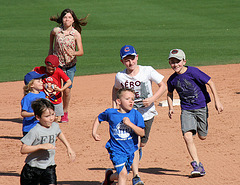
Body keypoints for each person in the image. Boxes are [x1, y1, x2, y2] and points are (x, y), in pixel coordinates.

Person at [112, 45, 167, 185]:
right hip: (130, 114)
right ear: (122, 62)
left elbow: (163, 85)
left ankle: (134, 157)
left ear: (137, 57)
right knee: (134, 144)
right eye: (126, 60)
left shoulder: (147, 70)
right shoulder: (120, 76)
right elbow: (116, 88)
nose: (130, 62)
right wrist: (114, 107)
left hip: (147, 114)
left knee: (142, 143)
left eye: (132, 58)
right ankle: (136, 175)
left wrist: (152, 99)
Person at [166, 49, 224, 177]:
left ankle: (199, 128)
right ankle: (197, 164)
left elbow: (210, 83)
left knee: (202, 136)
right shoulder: (172, 80)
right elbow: (169, 93)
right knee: (187, 136)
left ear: (184, 61)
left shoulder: (193, 72)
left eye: (178, 61)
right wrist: (170, 107)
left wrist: (217, 101)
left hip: (201, 107)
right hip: (186, 110)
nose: (175, 64)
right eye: (172, 62)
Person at [92, 88, 145, 185]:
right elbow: (99, 118)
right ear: (118, 101)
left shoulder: (136, 114)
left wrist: (130, 124)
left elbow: (142, 133)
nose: (131, 101)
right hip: (116, 149)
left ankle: (109, 178)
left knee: (123, 174)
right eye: (127, 99)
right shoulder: (111, 113)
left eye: (132, 99)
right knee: (123, 173)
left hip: (130, 150)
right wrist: (94, 133)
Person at [20, 98, 76, 185]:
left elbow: (59, 133)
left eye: (52, 115)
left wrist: (69, 147)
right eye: (47, 116)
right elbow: (23, 149)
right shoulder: (35, 131)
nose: (51, 118)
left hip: (49, 167)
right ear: (38, 117)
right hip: (32, 169)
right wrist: (41, 146)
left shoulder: (54, 126)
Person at [48, 8, 88, 122]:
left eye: (69, 17)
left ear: (73, 20)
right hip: (57, 66)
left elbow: (81, 51)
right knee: (55, 89)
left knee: (67, 90)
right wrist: (50, 52)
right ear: (62, 19)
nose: (67, 19)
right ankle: (55, 112)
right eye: (65, 17)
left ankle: (65, 112)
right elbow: (51, 40)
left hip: (70, 66)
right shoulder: (56, 31)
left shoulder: (75, 34)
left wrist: (74, 53)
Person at [34, 55, 72, 122]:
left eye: (52, 69)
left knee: (56, 118)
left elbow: (69, 82)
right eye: (48, 69)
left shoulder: (59, 71)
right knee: (44, 114)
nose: (50, 71)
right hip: (45, 97)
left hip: (56, 99)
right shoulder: (42, 69)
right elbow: (33, 72)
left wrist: (61, 89)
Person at [21, 71, 47, 136]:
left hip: (42, 127)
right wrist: (34, 114)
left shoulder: (42, 94)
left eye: (41, 80)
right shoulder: (27, 98)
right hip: (30, 128)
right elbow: (23, 113)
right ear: (31, 85)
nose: (42, 82)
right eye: (38, 81)